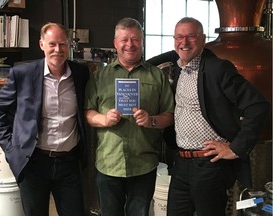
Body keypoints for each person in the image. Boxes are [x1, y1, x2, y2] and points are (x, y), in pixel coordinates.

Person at [147, 17, 270, 216]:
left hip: (209, 165)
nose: (184, 42)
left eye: (191, 36)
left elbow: (258, 105)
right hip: (181, 163)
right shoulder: (179, 65)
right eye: (179, 37)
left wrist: (235, 148)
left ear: (203, 39)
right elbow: (157, 60)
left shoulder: (217, 69)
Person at [0, 22, 90, 216]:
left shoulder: (80, 73)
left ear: (68, 45)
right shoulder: (23, 74)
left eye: (62, 44)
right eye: (52, 44)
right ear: (41, 44)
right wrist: (10, 148)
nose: (57, 50)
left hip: (69, 163)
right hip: (34, 162)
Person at [84, 17, 174, 216]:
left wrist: (151, 120)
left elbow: (169, 115)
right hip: (109, 162)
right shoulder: (100, 76)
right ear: (115, 43)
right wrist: (104, 119)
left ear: (142, 42)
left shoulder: (157, 76)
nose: (130, 44)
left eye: (135, 39)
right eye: (124, 39)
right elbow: (88, 113)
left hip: (144, 163)